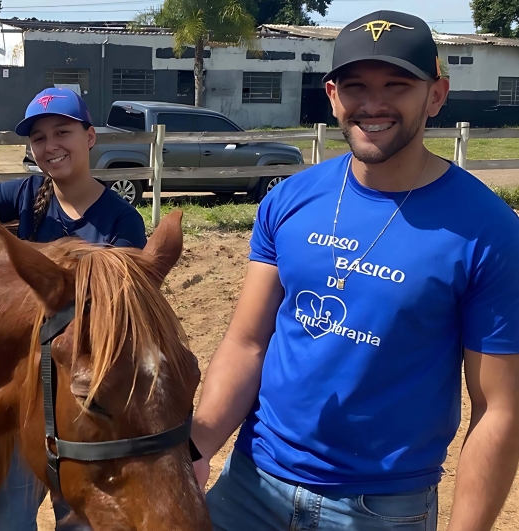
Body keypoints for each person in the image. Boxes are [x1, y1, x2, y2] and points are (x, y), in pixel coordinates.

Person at [190, 10, 519, 531]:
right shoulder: (291, 200)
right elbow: (247, 341)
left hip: (382, 509)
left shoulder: (487, 230)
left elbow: (498, 409)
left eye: (397, 85)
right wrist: (199, 444)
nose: (373, 104)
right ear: (333, 95)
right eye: (356, 86)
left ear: (436, 95)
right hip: (252, 487)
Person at [0, 86, 147, 529]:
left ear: (89, 137)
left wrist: (26, 257)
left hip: (85, 395)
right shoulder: (26, 193)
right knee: (8, 516)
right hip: (26, 390)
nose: (50, 146)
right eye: (39, 138)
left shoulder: (123, 222)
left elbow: (112, 311)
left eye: (62, 132)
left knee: (85, 514)